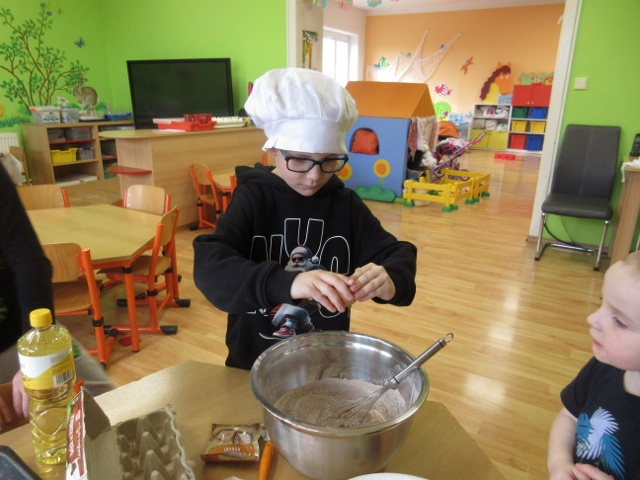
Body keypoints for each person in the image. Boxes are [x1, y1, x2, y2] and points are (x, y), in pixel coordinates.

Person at [193, 68, 417, 370]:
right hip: (252, 365)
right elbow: (211, 266)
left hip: (324, 365)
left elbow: (397, 252)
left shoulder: (345, 204)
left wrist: (390, 278)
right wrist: (290, 281)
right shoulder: (253, 198)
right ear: (273, 148)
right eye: (300, 159)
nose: (314, 176)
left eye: (329, 160)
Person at [0, 163, 114, 431]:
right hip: (23, 334)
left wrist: (39, 354)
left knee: (109, 405)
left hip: (28, 330)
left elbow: (29, 261)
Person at [547, 251, 640, 480]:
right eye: (602, 302)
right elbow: (569, 417)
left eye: (619, 320)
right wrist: (559, 462)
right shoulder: (604, 366)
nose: (592, 318)